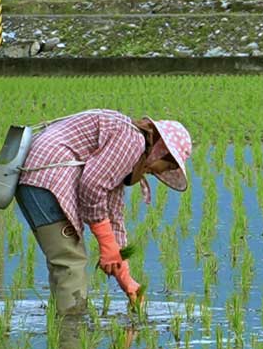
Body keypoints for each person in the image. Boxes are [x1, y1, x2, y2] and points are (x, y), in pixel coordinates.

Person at [15, 109, 193, 315]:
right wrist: (106, 243)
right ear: (160, 150)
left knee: (65, 259)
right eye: (168, 166)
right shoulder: (131, 142)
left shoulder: (126, 152)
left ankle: (61, 324)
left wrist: (126, 280)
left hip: (38, 176)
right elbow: (92, 185)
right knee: (70, 261)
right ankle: (71, 325)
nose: (161, 172)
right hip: (46, 175)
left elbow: (113, 215)